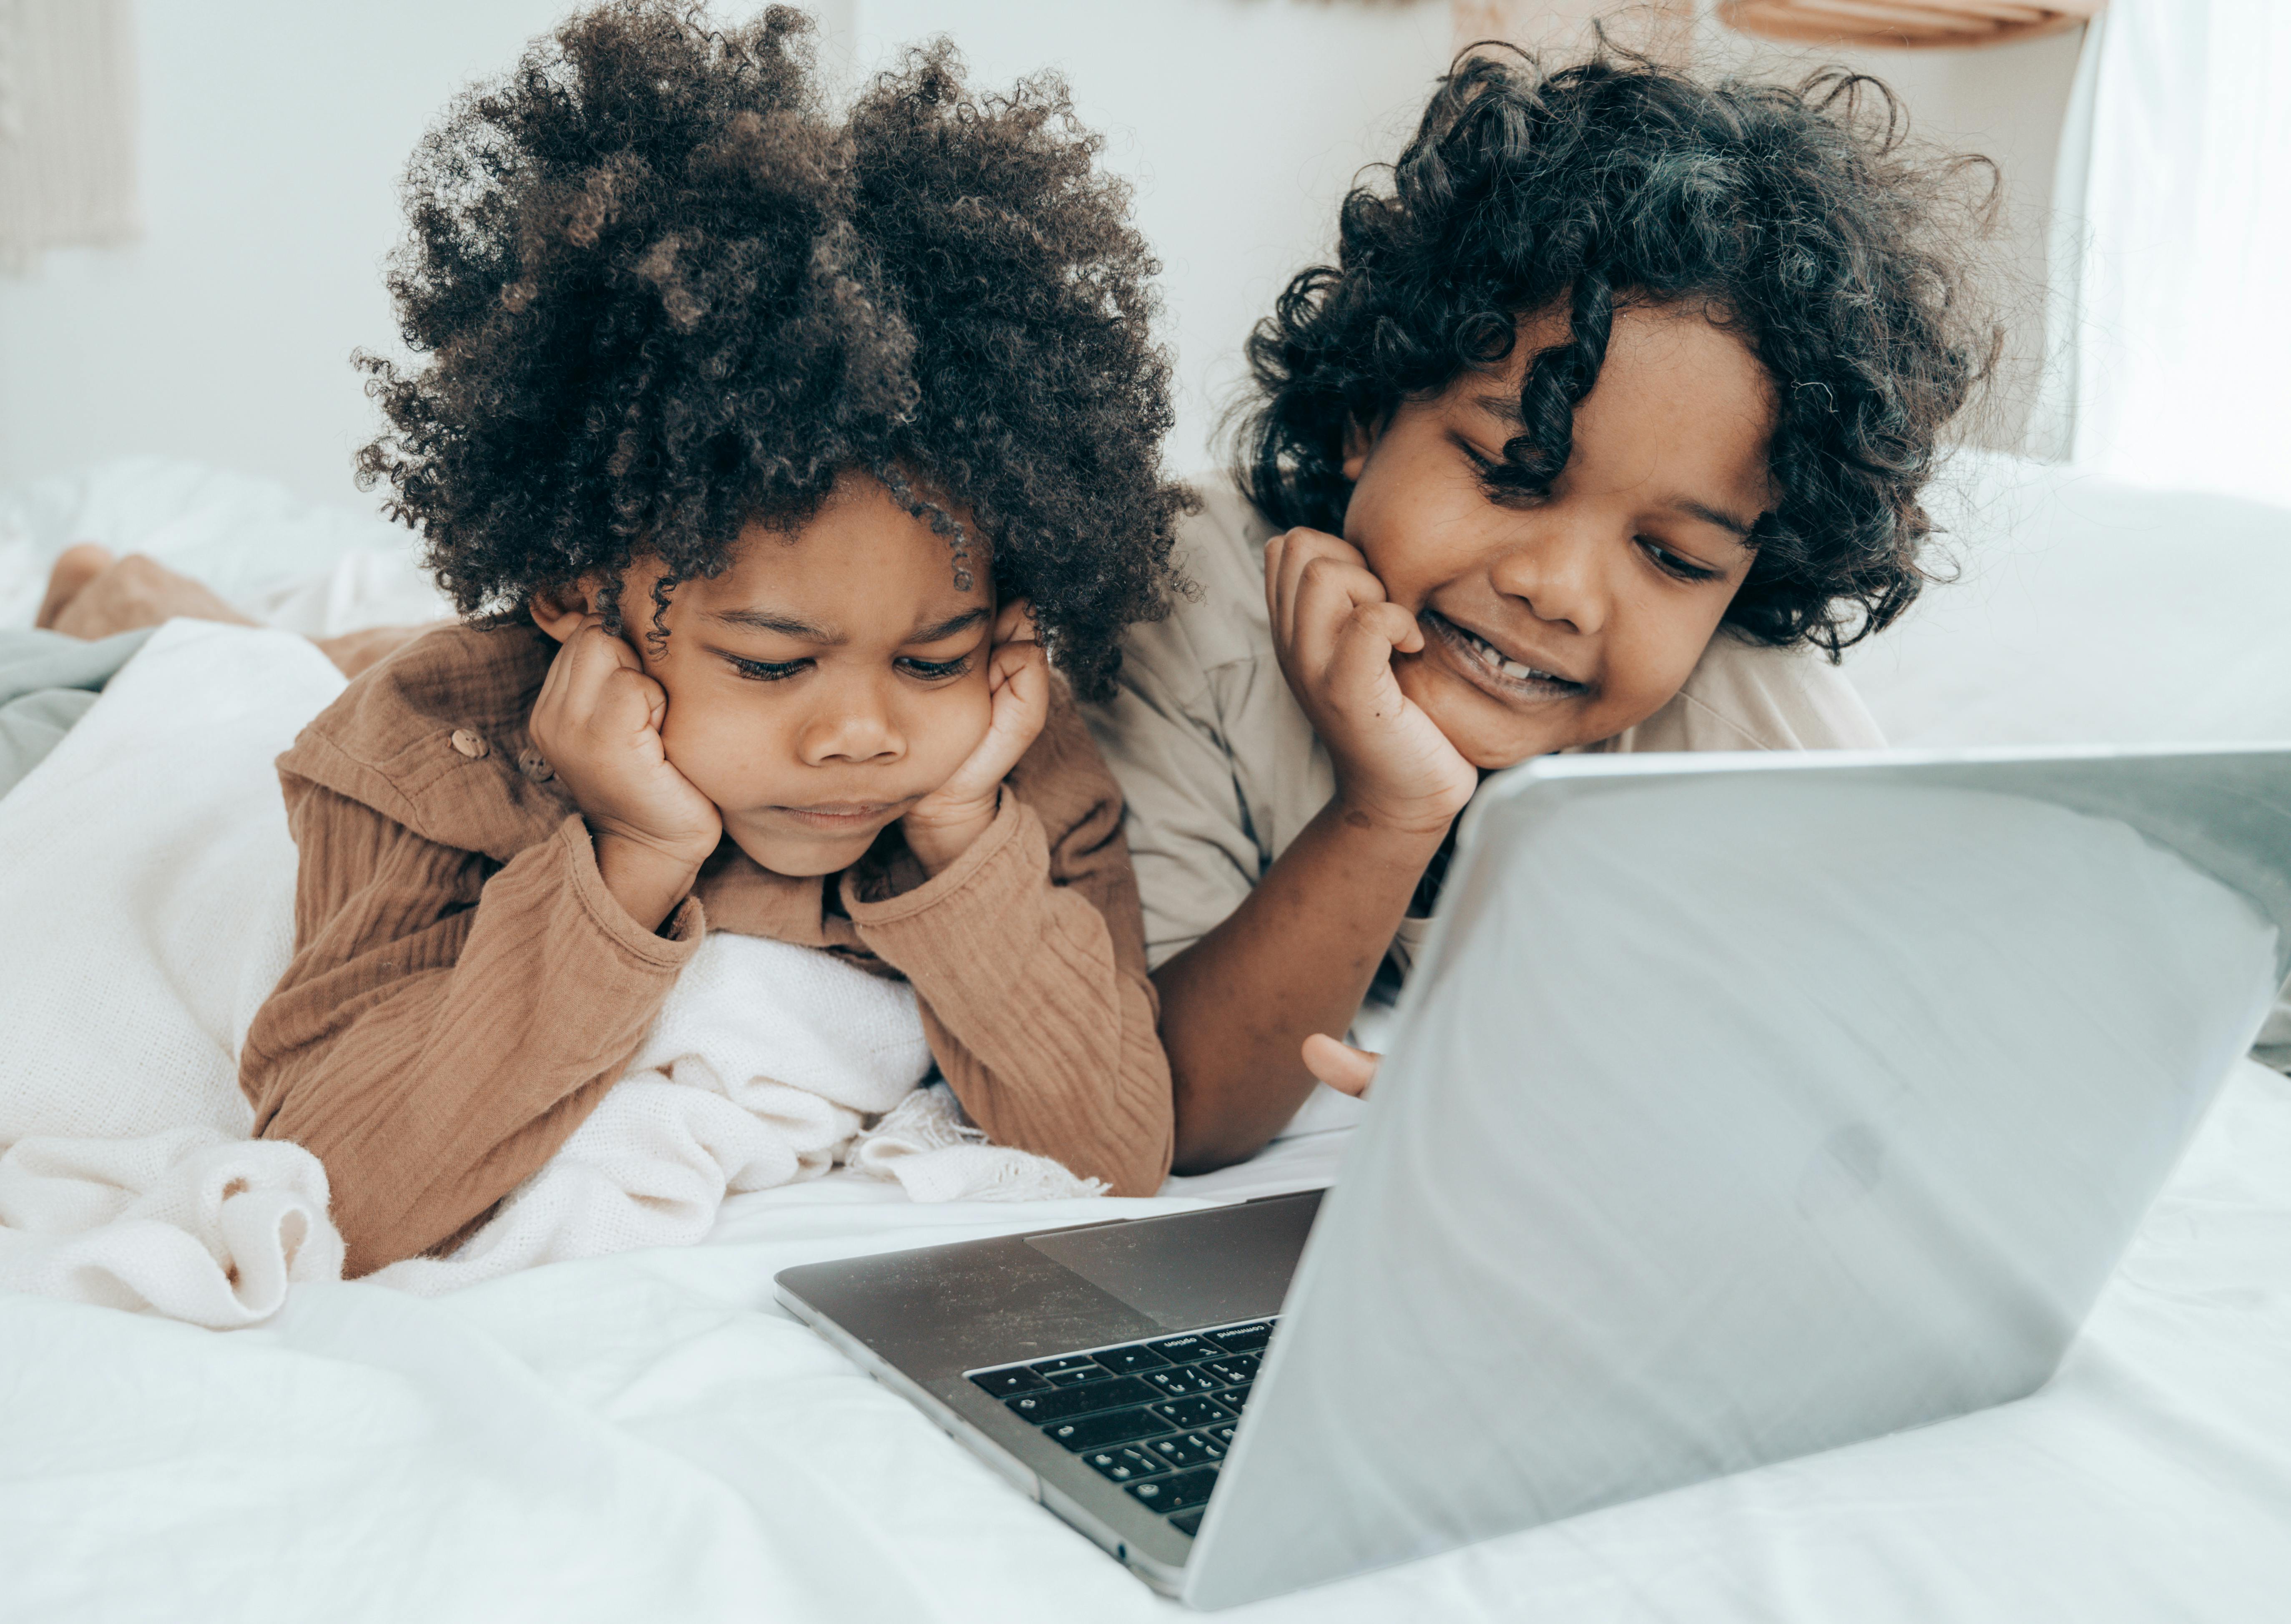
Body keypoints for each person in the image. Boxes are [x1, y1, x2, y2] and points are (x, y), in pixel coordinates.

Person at [228, 3, 1189, 1277]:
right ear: (578, 587)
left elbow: (1117, 1148)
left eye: (931, 658)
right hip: (338, 715)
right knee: (218, 670)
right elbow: (340, 1197)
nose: (864, 734)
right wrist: (632, 861)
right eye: (775, 664)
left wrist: (963, 845)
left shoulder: (1011, 754)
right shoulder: (424, 755)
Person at [1085, 48, 2000, 1169]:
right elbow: (1175, 1108)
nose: (1556, 590)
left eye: (1671, 556)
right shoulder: (1186, 595)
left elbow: (1900, 1081)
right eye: (1513, 471)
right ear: (1370, 409)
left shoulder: (1754, 726)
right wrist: (1388, 813)